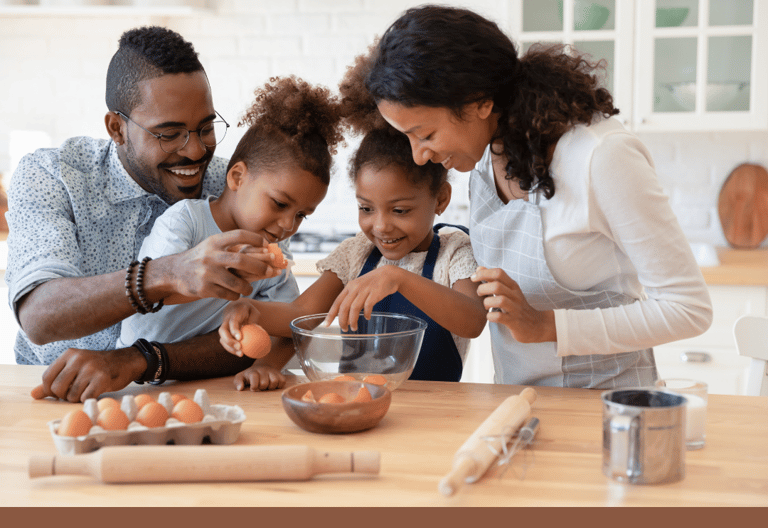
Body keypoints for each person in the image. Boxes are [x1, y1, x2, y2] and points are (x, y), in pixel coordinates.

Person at [344, 4, 713, 389]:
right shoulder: (484, 156)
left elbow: (688, 309)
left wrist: (544, 324)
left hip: (605, 404)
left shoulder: (602, 157)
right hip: (518, 399)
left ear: (479, 103)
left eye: (426, 134)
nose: (420, 155)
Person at [6, 26, 281, 402]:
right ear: (117, 129)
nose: (196, 151)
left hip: (193, 393)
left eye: (205, 128)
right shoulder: (54, 175)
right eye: (169, 134)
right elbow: (39, 315)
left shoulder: (231, 185)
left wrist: (140, 360)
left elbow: (261, 325)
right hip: (53, 393)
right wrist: (166, 274)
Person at [117, 75, 345, 391]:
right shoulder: (186, 221)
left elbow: (291, 328)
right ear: (237, 177)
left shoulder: (275, 261)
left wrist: (265, 367)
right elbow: (155, 293)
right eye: (279, 203)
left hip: (207, 379)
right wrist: (229, 271)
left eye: (301, 215)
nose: (288, 225)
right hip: (136, 380)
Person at [218, 121, 487, 387]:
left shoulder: (454, 251)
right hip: (358, 403)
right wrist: (251, 309)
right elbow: (301, 313)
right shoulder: (356, 253)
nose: (380, 226)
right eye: (366, 209)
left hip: (436, 409)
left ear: (440, 199)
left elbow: (473, 321)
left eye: (400, 210)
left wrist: (398, 278)